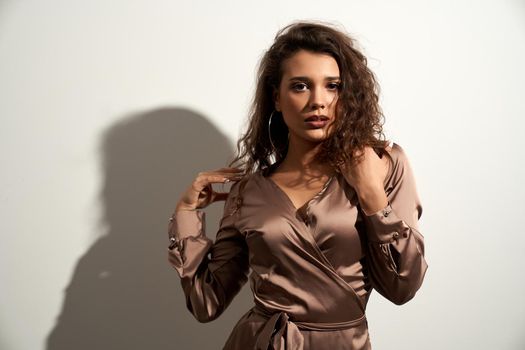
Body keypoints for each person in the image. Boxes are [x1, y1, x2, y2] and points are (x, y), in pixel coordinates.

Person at [167, 20, 428, 350]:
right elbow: (206, 303)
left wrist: (371, 193)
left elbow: (403, 287)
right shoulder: (248, 192)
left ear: (349, 94)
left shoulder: (383, 165)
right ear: (277, 97)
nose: (318, 101)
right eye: (301, 86)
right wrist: (187, 213)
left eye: (333, 86)